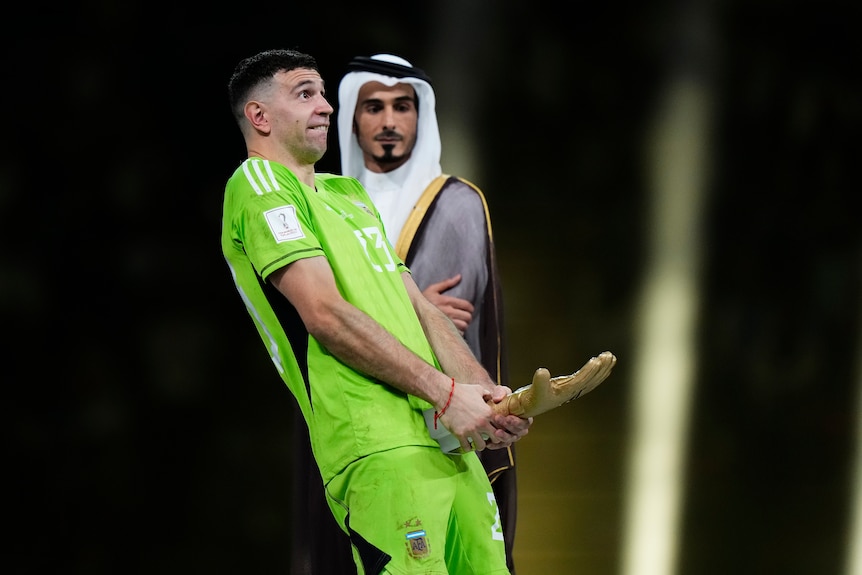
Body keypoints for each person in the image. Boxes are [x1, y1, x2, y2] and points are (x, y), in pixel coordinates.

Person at [221, 48, 532, 575]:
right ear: (259, 116)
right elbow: (324, 314)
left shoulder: (348, 196)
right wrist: (447, 394)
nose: (325, 107)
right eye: (305, 94)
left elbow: (420, 309)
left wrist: (482, 395)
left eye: (323, 93)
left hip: (446, 447)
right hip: (376, 450)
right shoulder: (258, 187)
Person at [336, 53, 520, 574]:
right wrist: (414, 308)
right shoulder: (328, 203)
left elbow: (451, 318)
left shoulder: (455, 204)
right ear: (352, 115)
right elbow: (321, 313)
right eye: (373, 107)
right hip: (358, 433)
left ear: (422, 115)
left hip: (444, 437)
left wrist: (383, 309)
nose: (389, 122)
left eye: (402, 106)